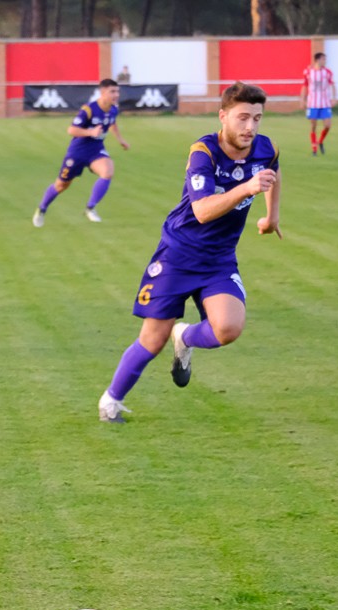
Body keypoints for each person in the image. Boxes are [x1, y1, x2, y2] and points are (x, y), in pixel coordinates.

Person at [96, 82, 281, 424]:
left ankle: (185, 336)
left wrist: (271, 216)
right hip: (178, 255)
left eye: (257, 118)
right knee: (152, 340)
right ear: (223, 116)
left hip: (219, 258)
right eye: (242, 118)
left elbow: (272, 174)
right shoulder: (204, 152)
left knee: (228, 328)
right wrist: (248, 188)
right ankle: (111, 400)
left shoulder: (264, 148)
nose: (250, 127)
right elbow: (202, 211)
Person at [33, 78, 129, 227]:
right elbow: (71, 130)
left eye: (117, 91)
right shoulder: (89, 109)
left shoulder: (113, 109)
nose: (116, 94)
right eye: (112, 91)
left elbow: (112, 123)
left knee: (108, 171)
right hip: (77, 152)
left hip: (96, 150)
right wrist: (90, 131)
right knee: (61, 185)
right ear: (102, 92)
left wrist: (120, 139)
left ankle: (90, 208)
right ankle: (42, 209)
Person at [301, 52, 334, 155]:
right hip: (312, 103)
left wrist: (334, 98)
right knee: (313, 125)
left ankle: (320, 141)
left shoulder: (327, 72)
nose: (325, 61)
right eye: (323, 59)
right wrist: (302, 100)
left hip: (325, 103)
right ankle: (314, 148)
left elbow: (332, 85)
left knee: (328, 125)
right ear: (318, 60)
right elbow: (305, 86)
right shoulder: (308, 71)